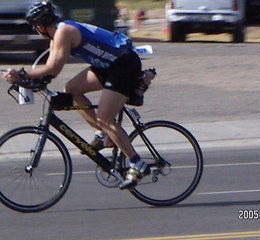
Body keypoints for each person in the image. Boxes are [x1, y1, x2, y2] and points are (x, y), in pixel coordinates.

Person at [2, 1, 150, 190]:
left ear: (39, 25)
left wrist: (21, 73)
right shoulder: (56, 35)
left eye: (34, 26)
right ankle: (102, 133)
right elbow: (50, 72)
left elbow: (53, 68)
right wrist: (28, 79)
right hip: (107, 66)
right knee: (71, 89)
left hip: (123, 64)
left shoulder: (64, 32)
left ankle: (137, 164)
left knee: (104, 117)